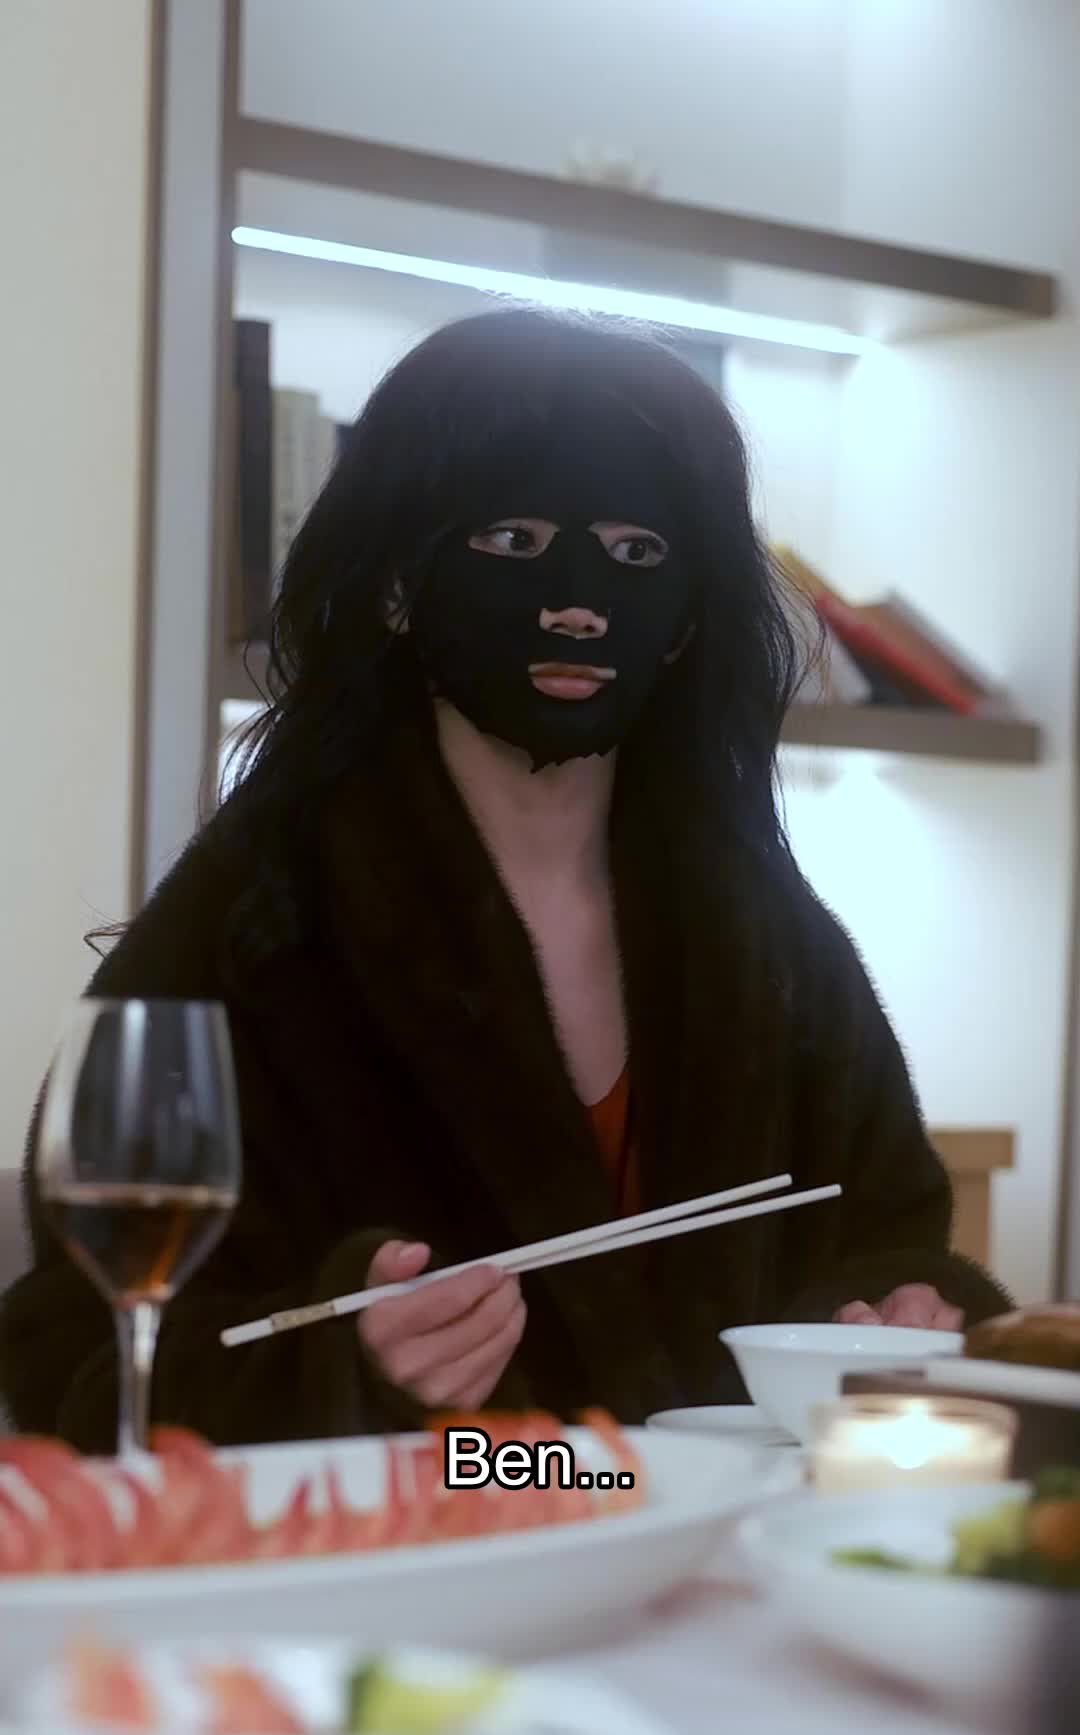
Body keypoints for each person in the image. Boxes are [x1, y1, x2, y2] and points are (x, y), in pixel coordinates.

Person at [0, 307, 1010, 1451]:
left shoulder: (768, 934)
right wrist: (342, 1371)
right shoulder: (248, 928)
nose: (578, 601)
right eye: (515, 540)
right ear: (396, 581)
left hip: (718, 1542)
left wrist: (900, 1315)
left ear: (687, 619)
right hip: (413, 1546)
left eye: (638, 554)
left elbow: (888, 1244)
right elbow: (73, 1361)